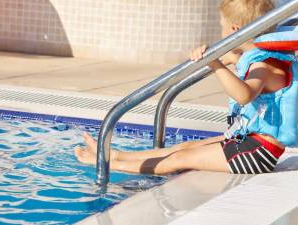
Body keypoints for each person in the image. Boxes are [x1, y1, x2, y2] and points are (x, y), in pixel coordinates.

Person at [74, 0, 298, 175]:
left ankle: (107, 165)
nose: (221, 36)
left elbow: (244, 95)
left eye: (222, 30)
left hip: (257, 153)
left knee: (178, 159)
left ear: (235, 29)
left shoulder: (265, 65)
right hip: (246, 139)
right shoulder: (253, 56)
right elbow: (234, 56)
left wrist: (213, 60)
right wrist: (218, 56)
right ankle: (114, 155)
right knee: (185, 147)